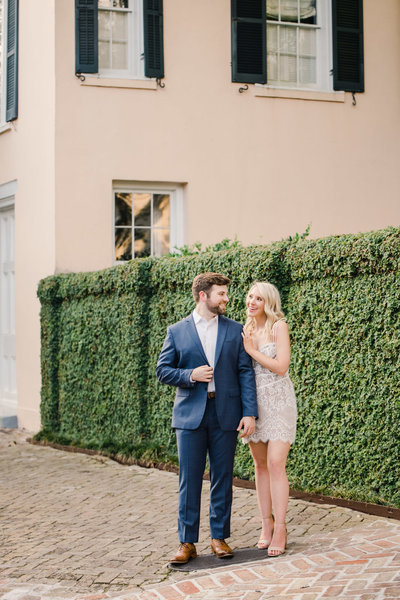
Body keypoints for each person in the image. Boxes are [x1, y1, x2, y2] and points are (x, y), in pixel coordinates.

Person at [156, 272, 258, 564]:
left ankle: (219, 537)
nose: (226, 299)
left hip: (225, 413)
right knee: (189, 480)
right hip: (190, 416)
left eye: (226, 293)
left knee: (222, 478)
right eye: (221, 294)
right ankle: (186, 543)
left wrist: (249, 412)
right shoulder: (177, 331)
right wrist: (190, 375)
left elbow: (244, 372)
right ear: (204, 296)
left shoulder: (235, 329)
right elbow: (163, 370)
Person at [241, 281, 297, 557]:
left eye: (258, 299)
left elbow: (282, 366)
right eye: (250, 296)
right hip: (255, 407)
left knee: (276, 463)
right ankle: (266, 524)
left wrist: (252, 351)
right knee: (260, 465)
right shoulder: (246, 329)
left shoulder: (279, 326)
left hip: (280, 402)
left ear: (269, 303)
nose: (251, 302)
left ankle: (282, 527)